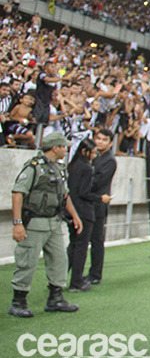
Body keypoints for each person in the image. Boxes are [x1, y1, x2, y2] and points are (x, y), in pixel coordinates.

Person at [9, 132, 83, 317]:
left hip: (54, 222)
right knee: (27, 262)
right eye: (63, 146)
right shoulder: (34, 167)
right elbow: (18, 192)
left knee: (59, 260)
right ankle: (18, 301)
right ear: (55, 147)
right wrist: (17, 223)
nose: (66, 150)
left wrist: (74, 215)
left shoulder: (58, 168)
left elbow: (64, 195)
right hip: (35, 222)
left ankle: (55, 298)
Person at [66, 138, 110, 292]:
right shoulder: (86, 168)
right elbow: (84, 193)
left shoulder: (72, 166)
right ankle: (76, 281)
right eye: (92, 153)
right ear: (85, 152)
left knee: (73, 245)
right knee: (81, 247)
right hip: (83, 211)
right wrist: (100, 199)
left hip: (71, 210)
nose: (94, 155)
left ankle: (58, 278)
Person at [87, 128, 116, 284]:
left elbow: (98, 182)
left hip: (99, 204)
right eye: (98, 138)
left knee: (97, 241)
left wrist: (82, 187)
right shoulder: (94, 156)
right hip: (89, 202)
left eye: (104, 140)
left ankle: (95, 274)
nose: (100, 142)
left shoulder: (109, 160)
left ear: (110, 143)